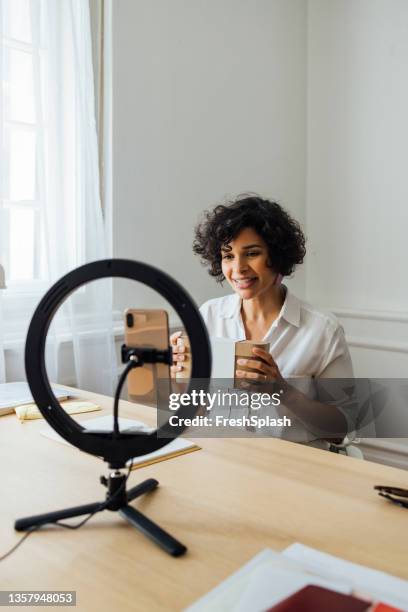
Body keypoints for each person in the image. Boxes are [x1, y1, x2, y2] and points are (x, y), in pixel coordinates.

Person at [171, 195, 355, 446]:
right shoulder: (209, 316)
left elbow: (340, 429)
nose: (238, 268)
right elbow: (195, 415)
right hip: (223, 461)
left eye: (252, 253)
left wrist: (282, 391)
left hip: (293, 470)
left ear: (277, 256)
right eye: (228, 256)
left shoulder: (322, 330)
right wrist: (180, 378)